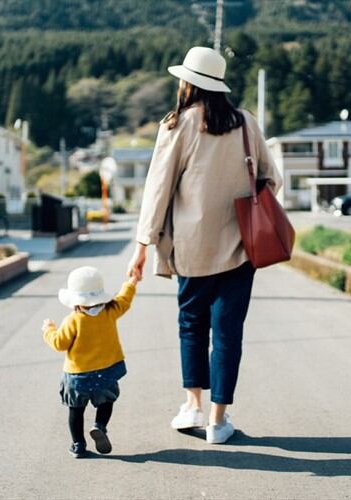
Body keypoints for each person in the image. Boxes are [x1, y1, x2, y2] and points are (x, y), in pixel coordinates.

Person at [127, 46, 282, 444]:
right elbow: (272, 179)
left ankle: (192, 406)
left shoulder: (177, 124)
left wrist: (143, 244)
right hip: (242, 247)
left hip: (192, 249)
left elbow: (158, 189)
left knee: (192, 327)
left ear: (189, 83)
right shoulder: (246, 123)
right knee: (228, 332)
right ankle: (218, 420)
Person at [43, 266, 138, 458]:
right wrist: (131, 282)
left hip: (78, 376)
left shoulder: (74, 319)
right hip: (107, 372)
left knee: (76, 410)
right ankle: (100, 425)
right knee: (107, 402)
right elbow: (124, 300)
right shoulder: (110, 310)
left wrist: (48, 329)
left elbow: (59, 343)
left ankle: (78, 444)